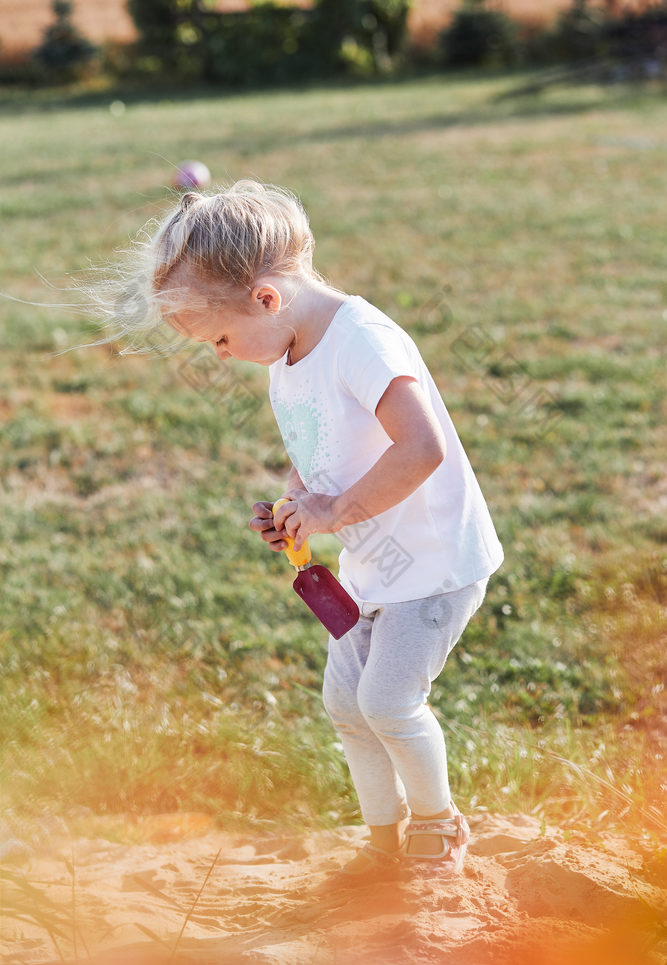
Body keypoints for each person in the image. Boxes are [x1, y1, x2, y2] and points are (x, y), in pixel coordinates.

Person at [144, 180, 503, 880]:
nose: (219, 354)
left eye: (218, 338)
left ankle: (437, 824)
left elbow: (421, 449)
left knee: (388, 701)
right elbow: (315, 448)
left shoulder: (361, 340)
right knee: (344, 704)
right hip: (372, 570)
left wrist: (333, 514)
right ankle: (382, 838)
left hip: (433, 566)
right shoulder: (287, 355)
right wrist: (293, 504)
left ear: (265, 298)